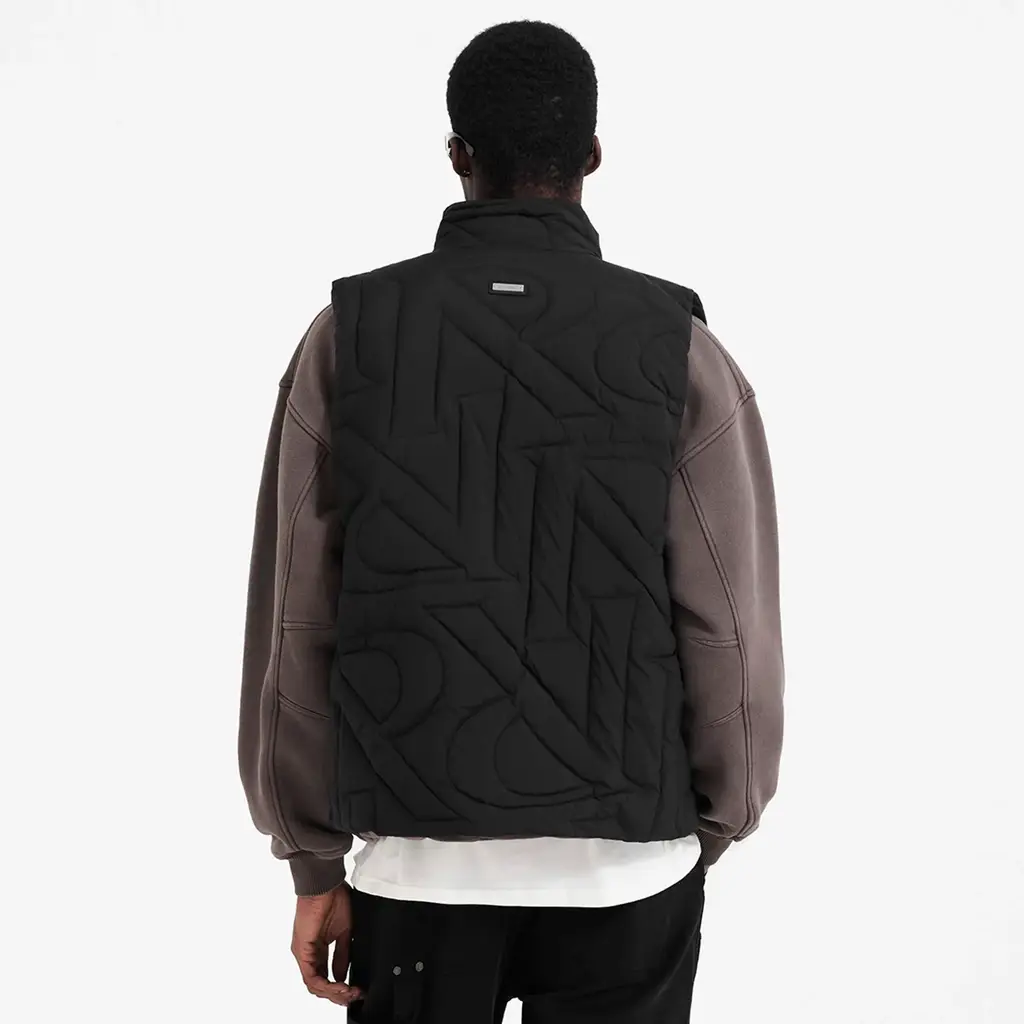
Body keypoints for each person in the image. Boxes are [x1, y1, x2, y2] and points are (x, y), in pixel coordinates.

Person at [239, 19, 784, 1023]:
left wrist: (311, 857)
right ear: (592, 155)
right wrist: (717, 818)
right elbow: (728, 625)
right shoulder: (681, 348)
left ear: (457, 155)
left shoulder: (347, 338)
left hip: (413, 869)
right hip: (628, 873)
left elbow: (295, 618)